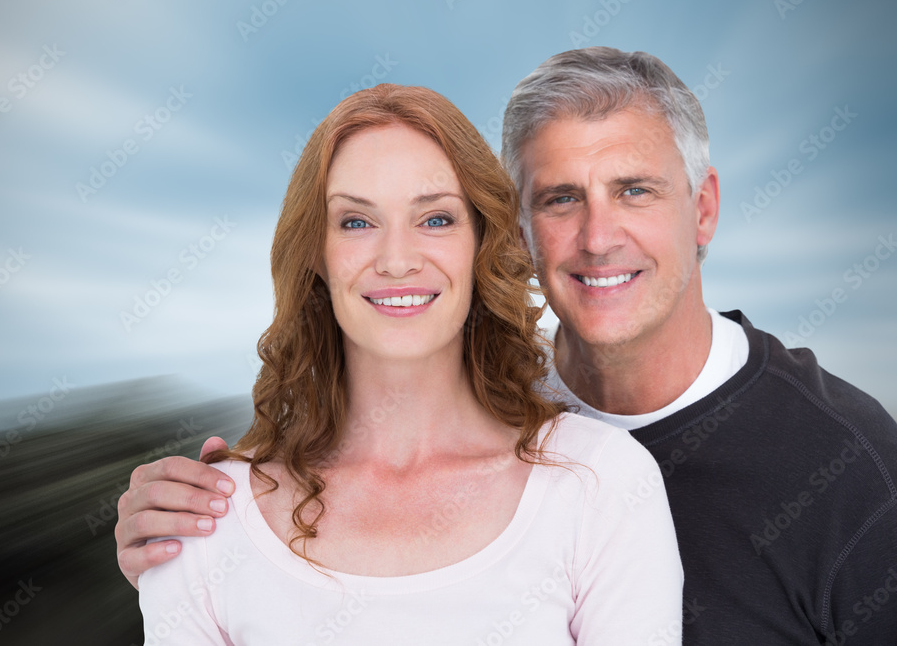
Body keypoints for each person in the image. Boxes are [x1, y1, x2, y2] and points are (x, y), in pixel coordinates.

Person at [120, 48, 897, 644]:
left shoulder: (852, 467)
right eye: (560, 198)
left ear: (703, 209)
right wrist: (171, 550)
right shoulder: (510, 412)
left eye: (634, 189)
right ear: (517, 235)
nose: (598, 237)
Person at [135, 83, 683, 644]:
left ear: (484, 243)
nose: (397, 260)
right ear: (316, 255)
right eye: (355, 222)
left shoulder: (602, 486)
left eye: (436, 219)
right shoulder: (203, 520)